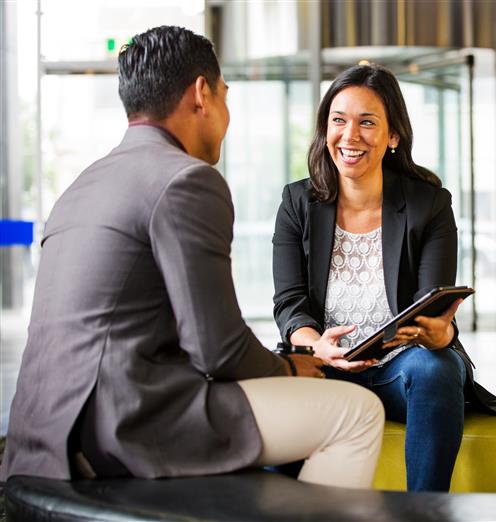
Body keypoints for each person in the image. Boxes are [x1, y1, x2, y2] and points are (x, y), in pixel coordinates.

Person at [0, 26, 384, 488]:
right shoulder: (186, 180)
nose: (226, 113)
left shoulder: (83, 184)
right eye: (225, 96)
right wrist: (291, 365)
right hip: (126, 423)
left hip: (43, 434)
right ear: (202, 94)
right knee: (357, 413)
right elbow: (219, 350)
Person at [272, 63, 496, 493]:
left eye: (367, 122)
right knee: (273, 390)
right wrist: (313, 342)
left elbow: (433, 306)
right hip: (326, 367)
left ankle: (424, 512)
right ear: (325, 130)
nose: (350, 135)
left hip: (401, 371)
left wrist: (440, 335)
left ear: (393, 136)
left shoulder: (428, 204)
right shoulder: (297, 202)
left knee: (436, 365)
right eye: (338, 120)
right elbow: (290, 303)